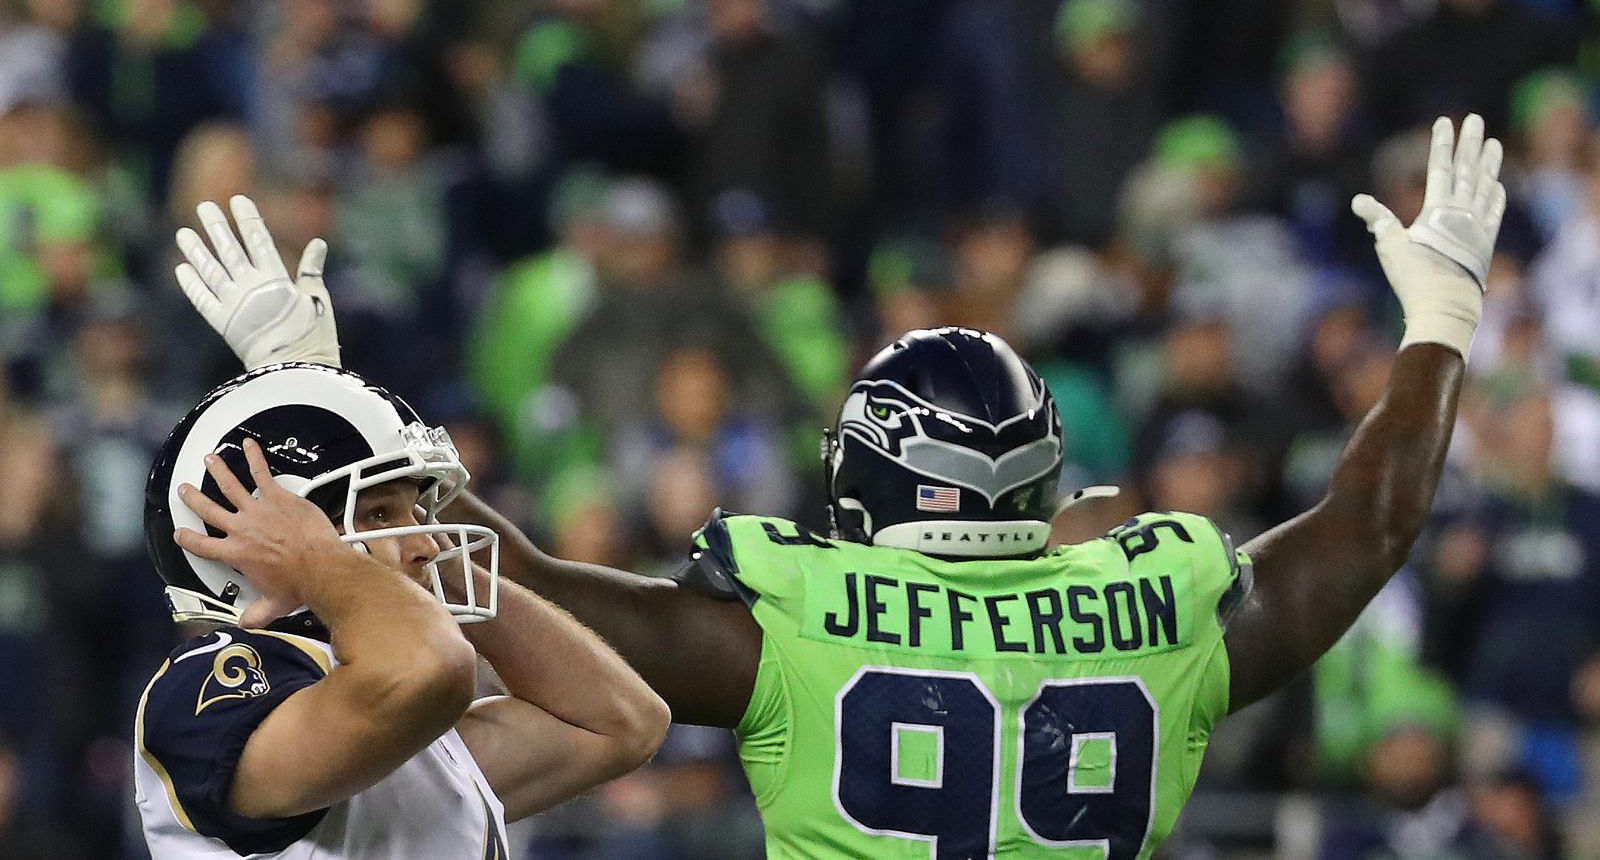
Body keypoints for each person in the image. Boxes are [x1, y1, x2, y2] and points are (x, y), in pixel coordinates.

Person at [181, 114, 1505, 858]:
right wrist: (1438, 324)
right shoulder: (1158, 611)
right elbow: (1372, 523)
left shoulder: (802, 613)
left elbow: (511, 589)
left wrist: (326, 403)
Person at [138, 198, 669, 858]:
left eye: (418, 512)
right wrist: (323, 560)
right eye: (382, 514)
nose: (428, 540)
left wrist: (328, 395)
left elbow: (622, 722)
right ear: (262, 537)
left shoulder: (400, 713)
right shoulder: (210, 687)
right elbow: (428, 669)